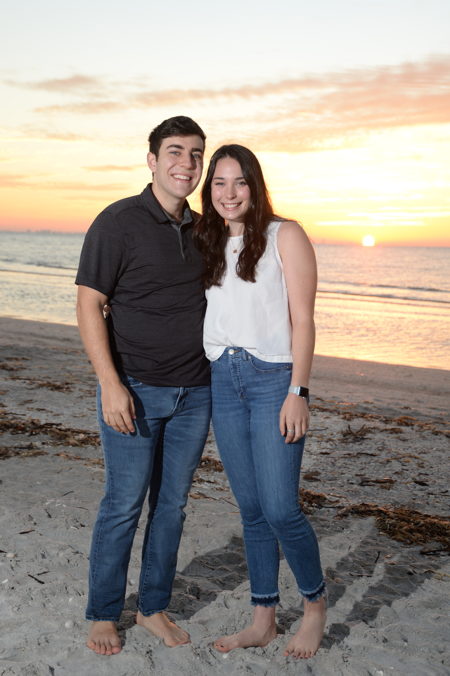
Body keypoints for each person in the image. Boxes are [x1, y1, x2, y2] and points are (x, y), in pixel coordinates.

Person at [75, 116, 211, 656]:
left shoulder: (206, 230)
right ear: (152, 160)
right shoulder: (117, 222)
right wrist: (110, 383)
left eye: (196, 154)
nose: (187, 163)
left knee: (172, 507)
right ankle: (104, 612)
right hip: (133, 388)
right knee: (123, 504)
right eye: (175, 151)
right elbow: (89, 302)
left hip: (196, 392)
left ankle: (153, 607)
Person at [195, 144, 326, 659]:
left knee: (280, 508)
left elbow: (304, 320)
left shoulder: (283, 234)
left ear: (255, 185)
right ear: (210, 189)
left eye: (239, 182)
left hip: (273, 380)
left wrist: (299, 391)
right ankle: (263, 619)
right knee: (251, 510)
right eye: (219, 182)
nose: (229, 193)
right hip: (222, 379)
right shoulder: (206, 239)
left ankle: (314, 606)